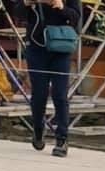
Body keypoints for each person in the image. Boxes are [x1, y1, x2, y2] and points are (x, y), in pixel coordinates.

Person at [15, 0, 82, 157]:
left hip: (61, 45)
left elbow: (76, 16)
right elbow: (17, 12)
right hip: (36, 47)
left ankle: (62, 139)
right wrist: (26, 3)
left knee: (60, 94)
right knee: (39, 93)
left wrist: (61, 6)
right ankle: (38, 129)